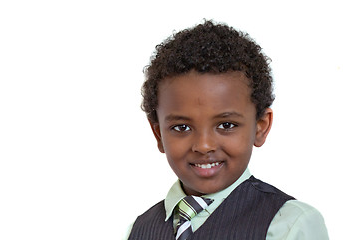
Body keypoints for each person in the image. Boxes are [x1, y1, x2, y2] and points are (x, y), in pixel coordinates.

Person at [125, 20, 328, 239]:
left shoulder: (289, 225)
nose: (203, 146)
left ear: (261, 126)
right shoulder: (139, 229)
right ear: (158, 134)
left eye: (226, 125)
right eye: (181, 127)